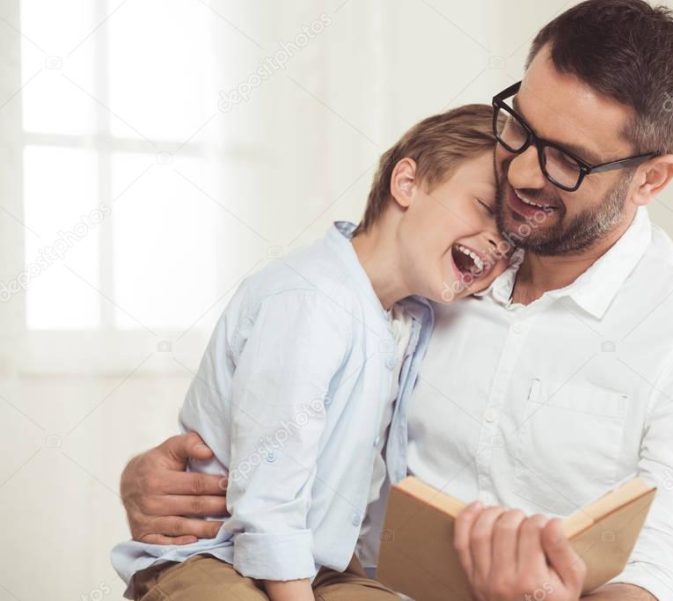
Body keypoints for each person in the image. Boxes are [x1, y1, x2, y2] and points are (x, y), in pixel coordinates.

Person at [118, 1, 673, 600]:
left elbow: (663, 565)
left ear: (650, 177)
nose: (520, 173)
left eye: (566, 161)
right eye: (519, 128)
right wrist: (162, 480)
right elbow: (288, 402)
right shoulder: (433, 280)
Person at [111, 104, 510, 601]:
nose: (499, 242)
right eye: (484, 207)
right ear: (407, 183)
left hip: (322, 564)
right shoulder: (312, 299)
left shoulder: (407, 319)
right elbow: (269, 491)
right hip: (213, 554)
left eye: (512, 241)